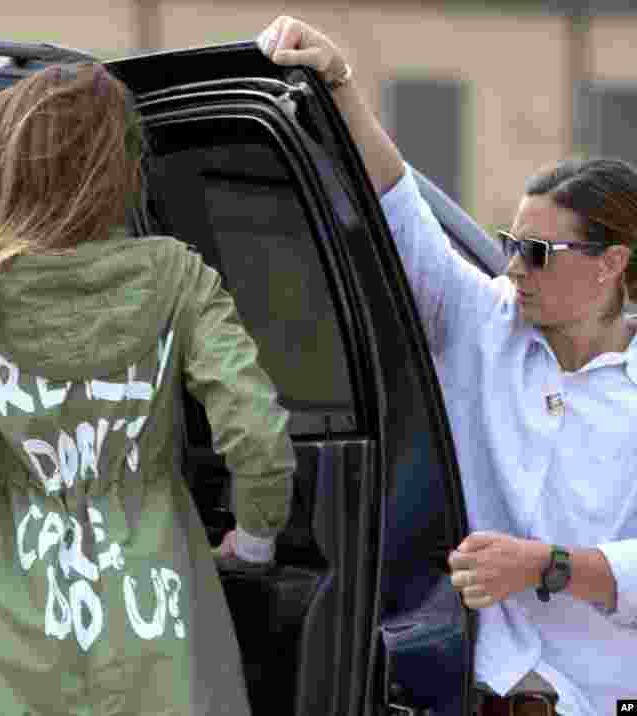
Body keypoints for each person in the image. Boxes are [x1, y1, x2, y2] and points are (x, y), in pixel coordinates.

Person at [257, 15, 637, 716]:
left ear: (613, 264)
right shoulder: (484, 322)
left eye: (539, 254)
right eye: (509, 244)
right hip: (477, 694)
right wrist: (340, 86)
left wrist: (543, 564)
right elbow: (401, 212)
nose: (515, 268)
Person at [0, 62, 295, 716]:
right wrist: (255, 539)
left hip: (10, 648)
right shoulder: (176, 277)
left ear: (4, 167)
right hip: (158, 637)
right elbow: (258, 434)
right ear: (119, 169)